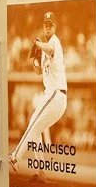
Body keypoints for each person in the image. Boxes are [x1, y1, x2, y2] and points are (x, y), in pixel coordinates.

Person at [11, 11, 69, 169]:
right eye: (46, 24)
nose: (48, 27)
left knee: (32, 124)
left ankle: (16, 157)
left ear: (55, 27)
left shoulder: (55, 42)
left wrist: (37, 45)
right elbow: (38, 71)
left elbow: (49, 50)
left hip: (56, 94)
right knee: (35, 129)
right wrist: (33, 60)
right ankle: (41, 171)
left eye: (50, 24)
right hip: (52, 97)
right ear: (43, 27)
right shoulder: (44, 48)